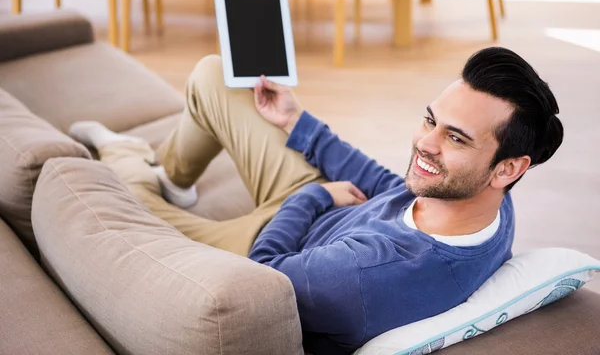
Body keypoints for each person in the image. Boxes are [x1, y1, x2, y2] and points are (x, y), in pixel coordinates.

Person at [69, 46, 564, 355]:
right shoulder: (491, 202)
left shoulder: (367, 275)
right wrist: (297, 121)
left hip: (271, 241)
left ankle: (125, 153)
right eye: (430, 119)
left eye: (455, 138)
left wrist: (309, 197)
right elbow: (394, 185)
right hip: (326, 209)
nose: (425, 142)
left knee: (123, 198)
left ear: (509, 168)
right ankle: (176, 176)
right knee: (215, 73)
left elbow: (265, 274)